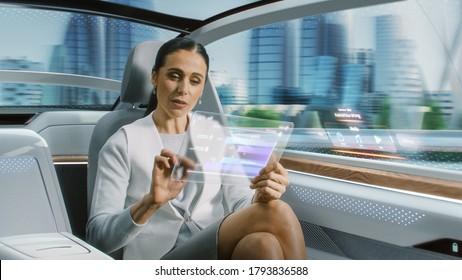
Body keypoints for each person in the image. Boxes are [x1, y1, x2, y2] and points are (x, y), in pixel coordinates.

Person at [86, 37, 307, 260]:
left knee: (262, 244)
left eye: (195, 81)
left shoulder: (215, 133)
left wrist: (259, 196)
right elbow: (97, 237)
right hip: (157, 259)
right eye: (174, 76)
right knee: (277, 211)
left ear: (202, 89)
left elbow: (240, 200)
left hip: (211, 252)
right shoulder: (122, 142)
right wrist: (150, 203)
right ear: (155, 77)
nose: (184, 90)